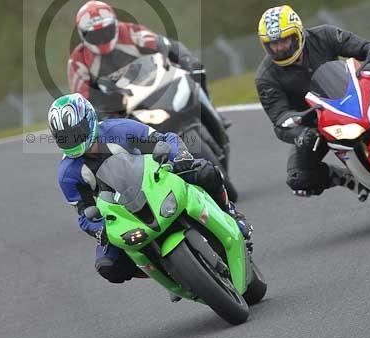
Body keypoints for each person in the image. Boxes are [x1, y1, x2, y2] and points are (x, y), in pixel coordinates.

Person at [48, 93, 251, 290]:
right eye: (65, 138)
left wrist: (179, 155)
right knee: (108, 266)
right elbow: (85, 214)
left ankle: (231, 214)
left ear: (90, 119)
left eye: (77, 132)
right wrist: (99, 228)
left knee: (205, 171)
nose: (73, 140)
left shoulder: (120, 129)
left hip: (155, 182)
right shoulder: (67, 175)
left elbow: (165, 139)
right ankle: (168, 270)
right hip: (121, 214)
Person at [255, 4, 370, 198]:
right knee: (298, 178)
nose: (279, 48)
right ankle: (342, 177)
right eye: (272, 44)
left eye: (284, 40)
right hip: (317, 125)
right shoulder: (265, 77)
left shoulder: (325, 35)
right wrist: (301, 133)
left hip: (356, 99)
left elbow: (363, 48)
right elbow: (279, 117)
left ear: (298, 33)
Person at [67, 0, 213, 104]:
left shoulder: (130, 31)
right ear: (82, 34)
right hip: (118, 107)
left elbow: (163, 44)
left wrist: (185, 61)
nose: (102, 39)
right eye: (95, 35)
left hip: (154, 86)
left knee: (194, 68)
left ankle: (209, 107)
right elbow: (82, 100)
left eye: (106, 31)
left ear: (115, 24)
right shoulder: (77, 60)